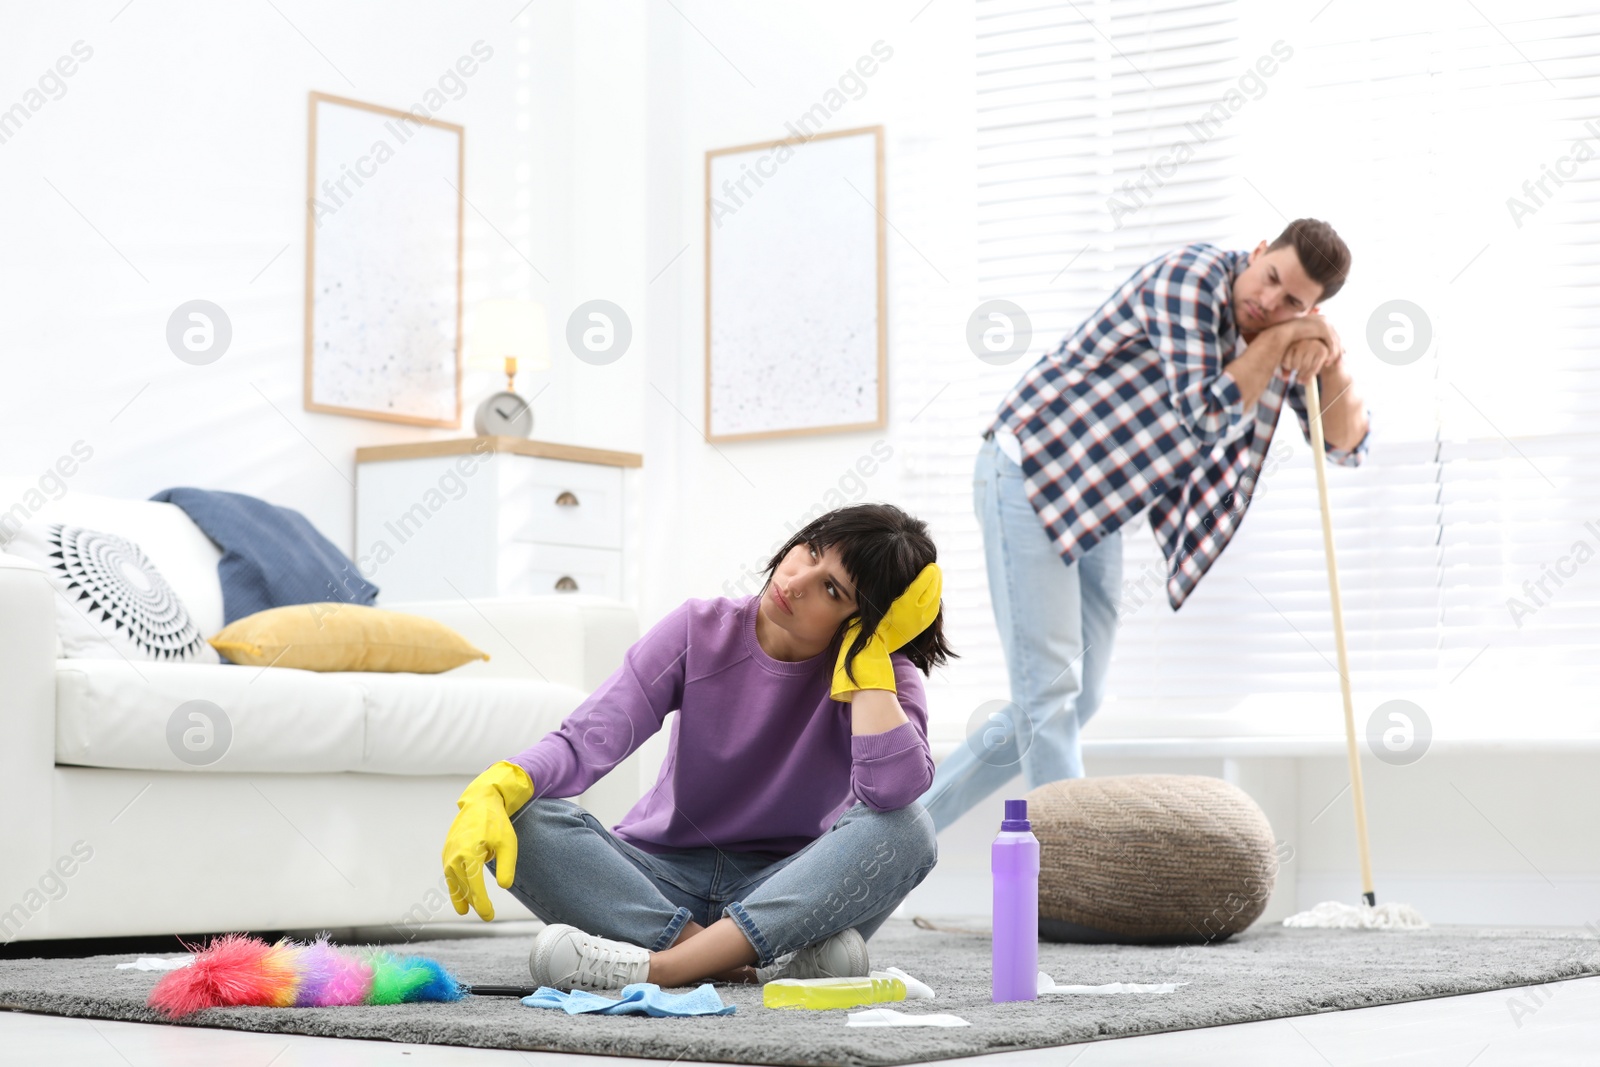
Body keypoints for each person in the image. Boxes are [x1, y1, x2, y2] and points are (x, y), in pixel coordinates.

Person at [920, 218, 1372, 833]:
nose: (1268, 303)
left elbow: (1346, 445)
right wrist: (1283, 337)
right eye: (1270, 279)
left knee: (1073, 701)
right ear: (1260, 250)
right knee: (1049, 697)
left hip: (1100, 505)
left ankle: (887, 834)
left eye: (1293, 301)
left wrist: (1330, 357)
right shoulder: (1188, 277)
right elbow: (1205, 413)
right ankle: (1072, 877)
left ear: (1311, 306)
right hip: (1031, 470)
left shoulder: (1284, 332)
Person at [440, 503, 955, 991]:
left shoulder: (884, 683)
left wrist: (865, 665)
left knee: (908, 828)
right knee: (520, 814)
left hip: (788, 892)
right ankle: (743, 967)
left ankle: (663, 968)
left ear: (868, 621)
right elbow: (591, 738)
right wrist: (507, 781)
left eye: (832, 590)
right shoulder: (699, 627)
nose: (795, 582)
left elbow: (890, 795)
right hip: (657, 882)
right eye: (811, 551)